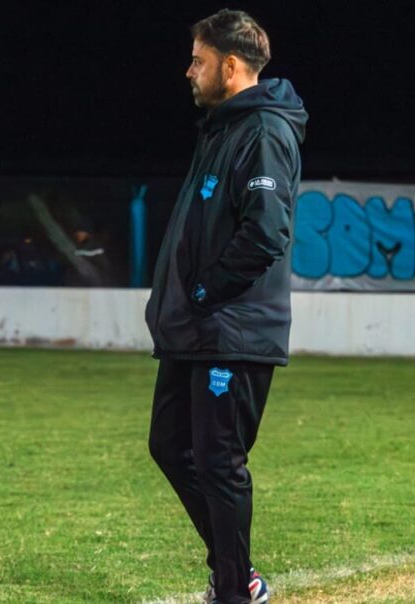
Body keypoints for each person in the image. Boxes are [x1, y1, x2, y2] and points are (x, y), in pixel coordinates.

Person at [144, 9, 307, 604]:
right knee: (170, 446)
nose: (189, 71)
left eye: (199, 61)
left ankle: (236, 590)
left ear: (230, 66)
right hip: (197, 327)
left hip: (232, 327)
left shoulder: (264, 132)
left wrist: (206, 291)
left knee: (219, 463)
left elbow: (265, 233)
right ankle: (238, 574)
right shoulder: (222, 129)